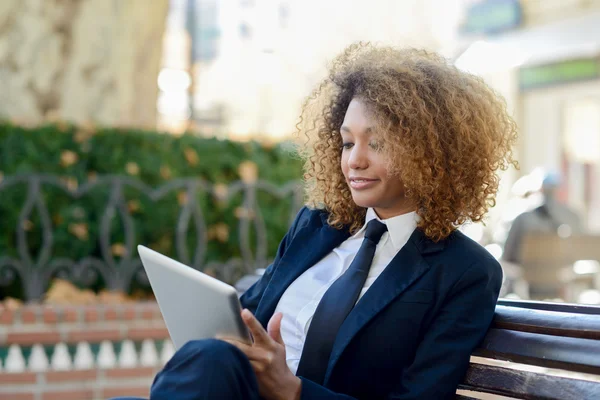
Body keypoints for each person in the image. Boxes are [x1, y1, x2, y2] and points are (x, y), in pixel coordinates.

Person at [129, 43, 518, 400]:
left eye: (377, 143)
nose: (354, 161)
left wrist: (294, 390)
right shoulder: (317, 227)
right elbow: (245, 324)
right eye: (348, 142)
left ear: (433, 155)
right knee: (213, 356)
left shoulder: (465, 272)